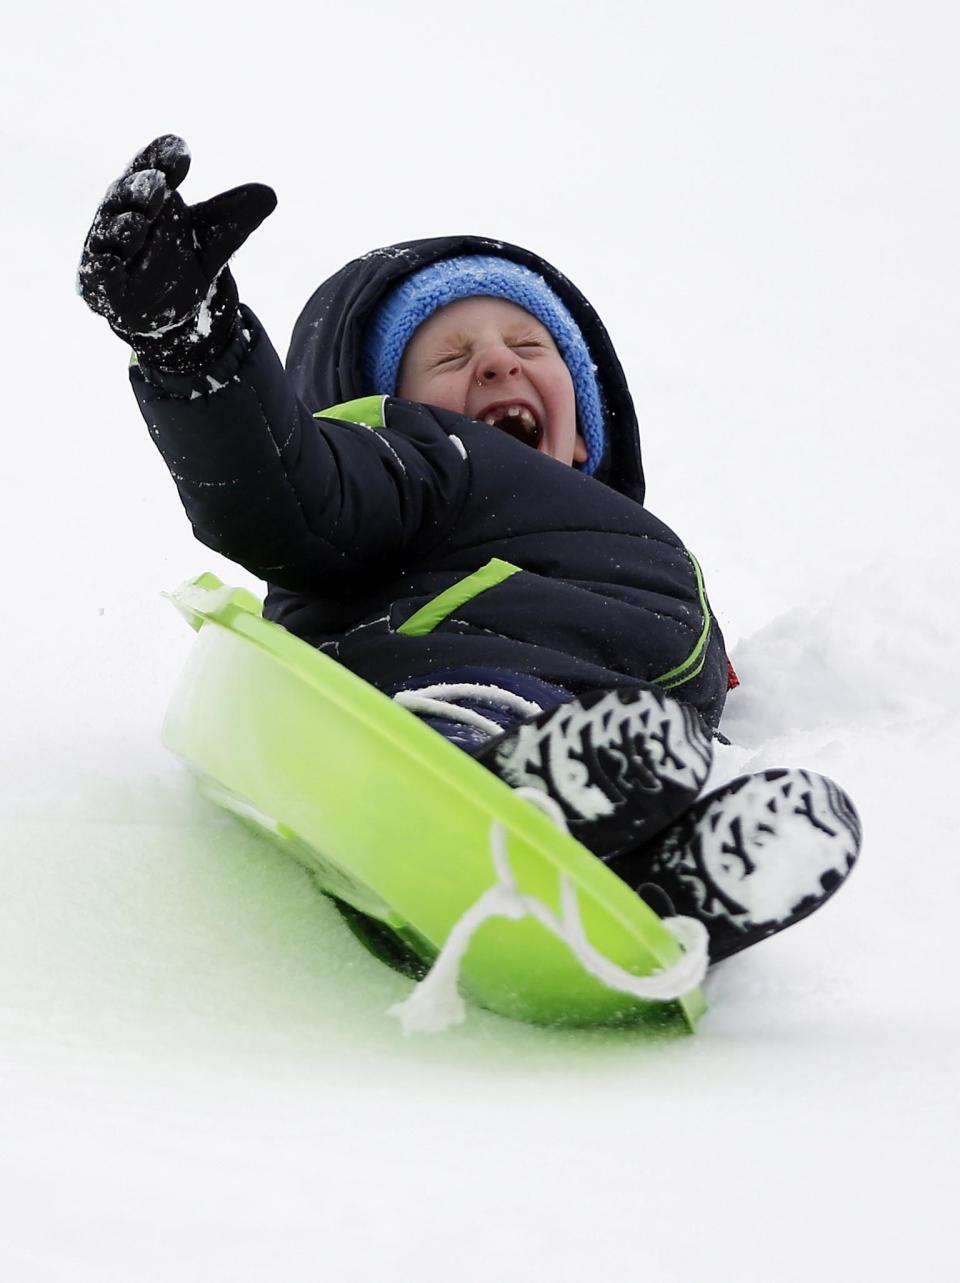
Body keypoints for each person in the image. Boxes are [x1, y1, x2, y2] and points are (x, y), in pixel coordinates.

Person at [78, 135, 861, 964]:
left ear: (587, 425)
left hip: (607, 735)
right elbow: (287, 492)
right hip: (425, 702)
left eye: (530, 348)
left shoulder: (661, 557)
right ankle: (492, 792)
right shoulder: (427, 463)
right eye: (449, 357)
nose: (495, 362)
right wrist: (190, 344)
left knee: (651, 753)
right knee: (526, 713)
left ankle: (665, 886)